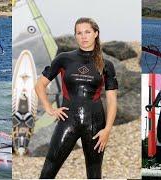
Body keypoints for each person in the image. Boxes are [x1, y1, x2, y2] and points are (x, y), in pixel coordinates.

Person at [35, 17, 118, 178]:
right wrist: (49, 108)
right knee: (49, 167)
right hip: (68, 120)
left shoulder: (106, 64)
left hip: (95, 123)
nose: (83, 36)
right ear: (75, 36)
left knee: (94, 171)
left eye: (87, 32)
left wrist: (107, 130)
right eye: (79, 33)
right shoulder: (64, 58)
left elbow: (112, 100)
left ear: (96, 34)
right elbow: (39, 86)